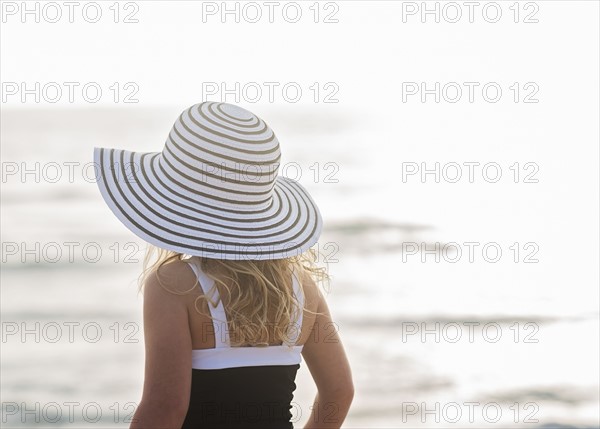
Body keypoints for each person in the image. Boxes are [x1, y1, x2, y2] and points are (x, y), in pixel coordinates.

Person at [93, 101, 354, 428]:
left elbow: (165, 409)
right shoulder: (301, 288)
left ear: (174, 199)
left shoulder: (174, 285)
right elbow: (338, 392)